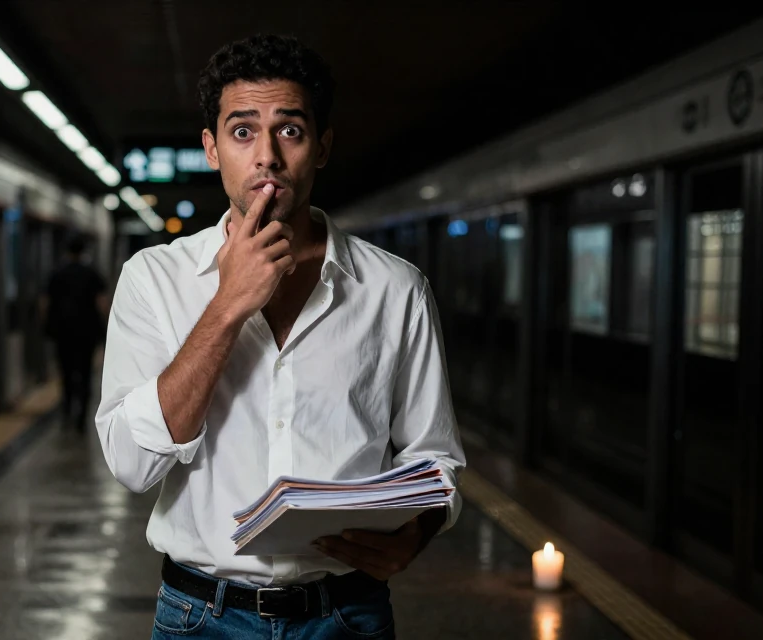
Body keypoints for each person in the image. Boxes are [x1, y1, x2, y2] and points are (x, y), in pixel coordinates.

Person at [96, 34, 465, 639]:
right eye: (242, 131)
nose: (266, 156)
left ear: (322, 147)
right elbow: (133, 465)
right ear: (212, 149)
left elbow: (433, 457)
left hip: (347, 614)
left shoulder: (396, 289)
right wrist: (226, 306)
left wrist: (417, 532)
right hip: (200, 618)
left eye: (289, 130)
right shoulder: (153, 279)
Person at [45, 234, 107, 431]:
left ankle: (66, 412)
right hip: (87, 332)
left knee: (66, 372)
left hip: (62, 332)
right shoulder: (92, 274)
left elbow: (45, 303)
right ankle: (82, 418)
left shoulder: (57, 273)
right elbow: (102, 303)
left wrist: (47, 326)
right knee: (85, 372)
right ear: (83, 252)